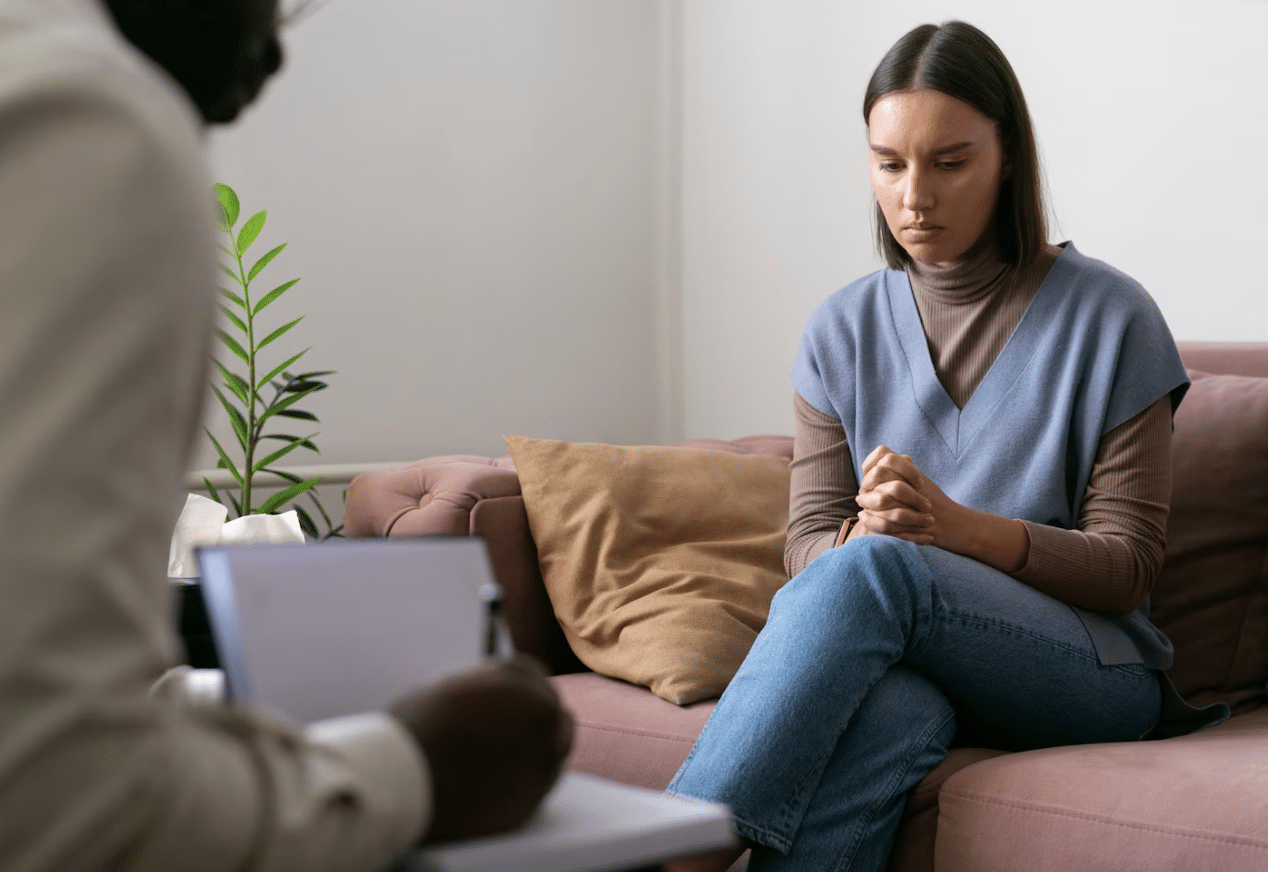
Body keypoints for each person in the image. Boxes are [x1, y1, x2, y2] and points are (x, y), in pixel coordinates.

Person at [0, 1, 572, 870]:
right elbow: (59, 797)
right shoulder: (93, 118)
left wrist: (206, 709)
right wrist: (417, 765)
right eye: (269, 5)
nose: (272, 58)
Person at [664, 20, 1225, 872]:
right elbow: (807, 548)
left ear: (1008, 159)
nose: (914, 195)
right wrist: (867, 533)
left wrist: (952, 530)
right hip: (924, 661)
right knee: (891, 710)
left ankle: (679, 851)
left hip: (1090, 673)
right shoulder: (840, 330)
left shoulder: (1113, 318)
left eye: (949, 162)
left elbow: (1126, 569)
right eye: (890, 164)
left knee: (877, 572)